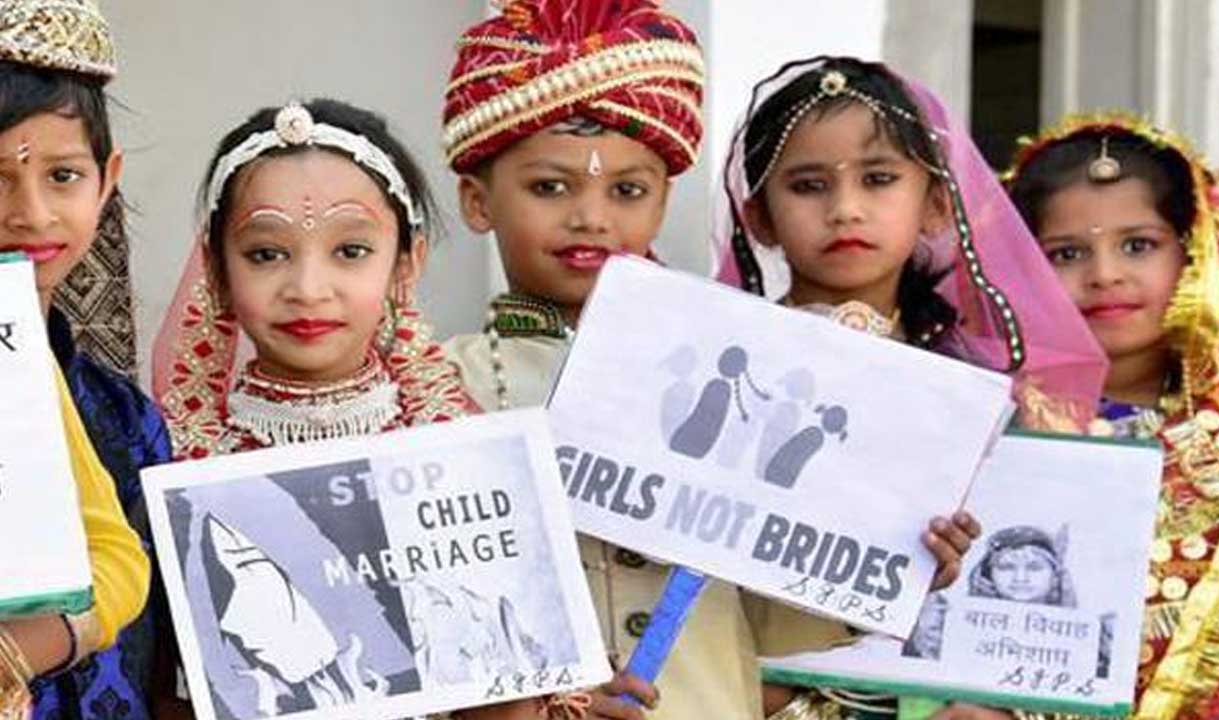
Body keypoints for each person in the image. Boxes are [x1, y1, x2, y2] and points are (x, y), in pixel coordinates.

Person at [441, 9, 980, 717]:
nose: (591, 217)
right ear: (477, 201)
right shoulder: (435, 387)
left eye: (627, 191)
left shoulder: (734, 366)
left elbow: (786, 625)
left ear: (665, 198)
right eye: (549, 187)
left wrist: (899, 557)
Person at [712, 56, 1108, 720]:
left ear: (936, 205)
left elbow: (1035, 623)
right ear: (759, 217)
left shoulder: (982, 393)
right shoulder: (726, 370)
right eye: (808, 185)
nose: (845, 209)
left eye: (878, 179)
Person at [151, 99, 543, 720]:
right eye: (266, 254)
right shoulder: (174, 463)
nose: (308, 289)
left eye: (351, 251)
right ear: (217, 272)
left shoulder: (458, 463)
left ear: (406, 264)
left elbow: (503, 695)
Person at [1005, 112, 1219, 720]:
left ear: (1197, 253)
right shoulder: (990, 422)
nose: (1104, 275)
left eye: (1138, 245)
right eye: (1066, 253)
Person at [0, 2, 159, 717]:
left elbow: (121, 560)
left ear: (107, 176)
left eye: (62, 175)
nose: (31, 213)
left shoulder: (119, 416)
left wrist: (23, 650)